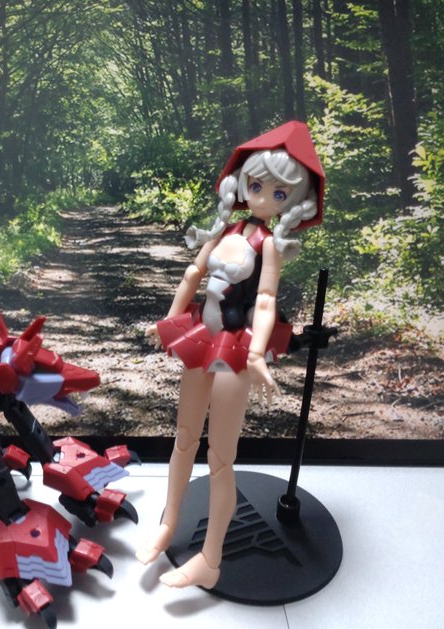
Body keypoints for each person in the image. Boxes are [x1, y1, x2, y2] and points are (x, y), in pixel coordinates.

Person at [136, 121, 324, 589]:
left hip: (236, 348)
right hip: (203, 336)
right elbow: (191, 274)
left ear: (294, 201)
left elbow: (266, 301)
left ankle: (211, 557)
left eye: (278, 193)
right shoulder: (224, 229)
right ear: (241, 182)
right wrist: (169, 321)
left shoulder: (268, 245)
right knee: (183, 438)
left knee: (220, 458)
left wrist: (258, 352)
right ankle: (168, 523)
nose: (262, 197)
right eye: (256, 185)